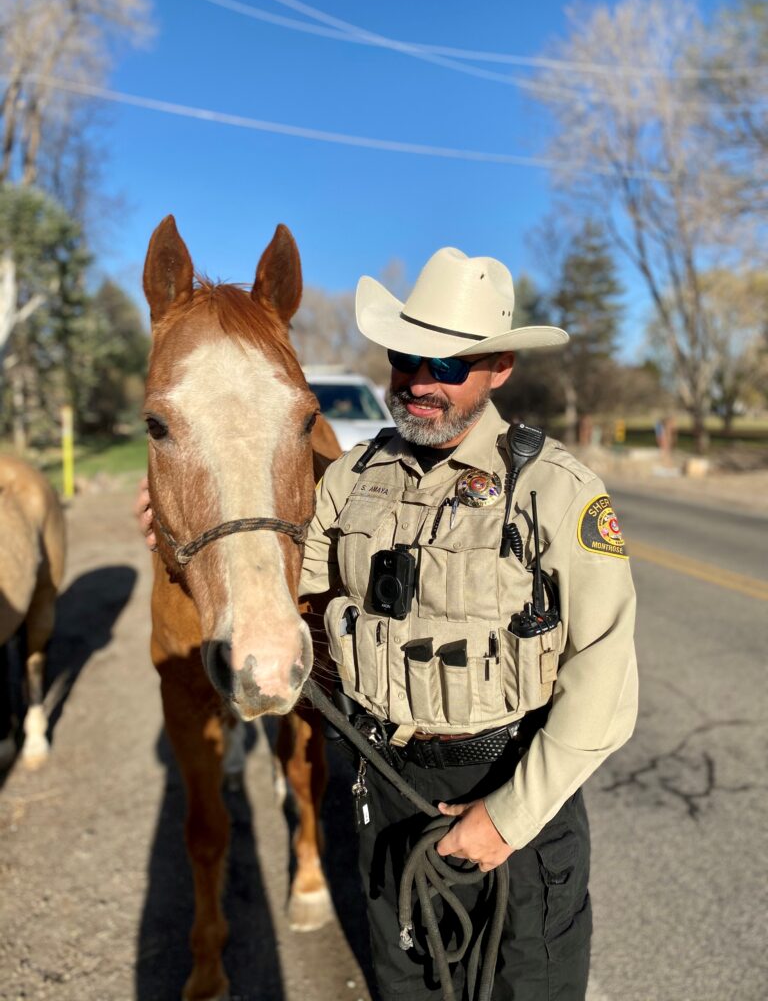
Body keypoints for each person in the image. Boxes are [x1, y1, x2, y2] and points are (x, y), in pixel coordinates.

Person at [138, 245, 638, 1001]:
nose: (420, 380)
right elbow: (278, 582)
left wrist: (506, 819)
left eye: (448, 363)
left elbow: (604, 678)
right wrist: (184, 535)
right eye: (407, 357)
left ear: (500, 366)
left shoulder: (555, 492)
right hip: (387, 792)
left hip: (514, 796)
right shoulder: (351, 480)